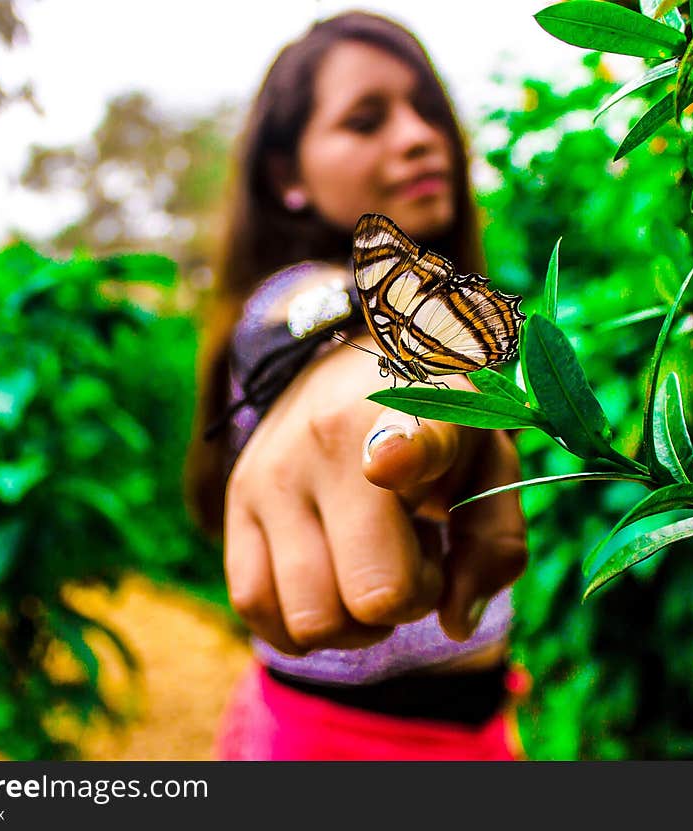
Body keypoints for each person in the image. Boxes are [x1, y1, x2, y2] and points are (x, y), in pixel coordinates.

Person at [185, 10, 530, 761]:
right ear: (288, 176)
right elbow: (300, 324)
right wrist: (361, 383)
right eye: (365, 120)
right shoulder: (287, 294)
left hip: (475, 728)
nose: (417, 136)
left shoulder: (457, 298)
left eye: (427, 110)